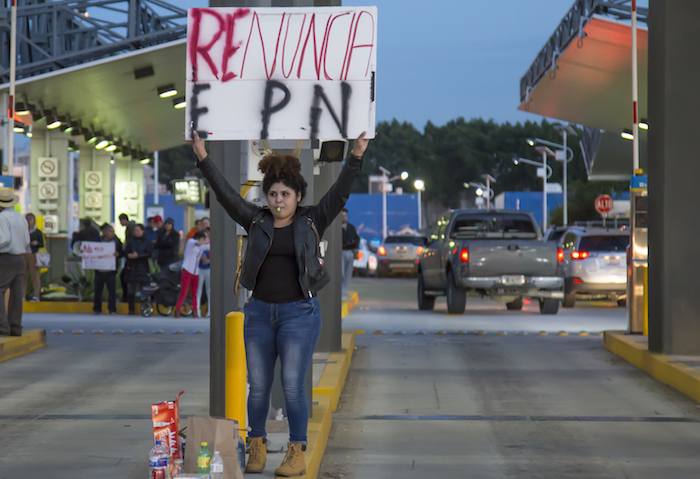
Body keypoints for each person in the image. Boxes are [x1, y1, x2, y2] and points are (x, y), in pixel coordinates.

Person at [187, 129, 369, 476]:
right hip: (258, 312)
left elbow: (341, 190)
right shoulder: (255, 220)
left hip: (299, 313)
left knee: (290, 384)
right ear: (265, 196)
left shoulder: (312, 220)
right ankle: (256, 444)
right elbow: (224, 195)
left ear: (298, 195)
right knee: (257, 387)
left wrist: (356, 154)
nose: (278, 201)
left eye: (285, 194)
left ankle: (295, 450)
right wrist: (202, 155)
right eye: (272, 194)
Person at [0, 189, 30, 337]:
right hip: (20, 258)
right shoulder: (20, 218)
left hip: (6, 258)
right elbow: (27, 241)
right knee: (17, 294)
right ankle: (15, 327)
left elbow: (3, 239)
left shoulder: (2, 217)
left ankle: (2, 327)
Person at [174, 230, 210, 318]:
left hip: (196, 272)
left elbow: (207, 248)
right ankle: (178, 309)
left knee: (194, 292)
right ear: (198, 238)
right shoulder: (191, 242)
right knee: (184, 291)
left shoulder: (200, 248)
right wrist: (206, 240)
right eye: (202, 238)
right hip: (187, 270)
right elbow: (199, 244)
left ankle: (195, 311)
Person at [93, 224, 124, 315]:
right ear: (104, 232)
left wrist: (118, 254)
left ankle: (112, 309)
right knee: (98, 291)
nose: (112, 234)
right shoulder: (97, 241)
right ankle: (97, 309)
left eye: (113, 232)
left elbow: (122, 253)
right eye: (110, 231)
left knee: (112, 291)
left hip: (111, 271)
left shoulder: (117, 242)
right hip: (99, 270)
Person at [123, 224, 152, 315]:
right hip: (132, 267)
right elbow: (126, 251)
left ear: (143, 231)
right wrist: (129, 255)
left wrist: (138, 255)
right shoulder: (131, 240)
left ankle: (144, 308)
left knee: (143, 290)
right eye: (135, 230)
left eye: (138, 230)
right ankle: (131, 309)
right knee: (131, 289)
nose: (136, 232)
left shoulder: (147, 241)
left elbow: (149, 253)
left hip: (142, 267)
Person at [23, 213, 44, 302]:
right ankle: (22, 295)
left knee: (35, 275)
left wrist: (37, 243)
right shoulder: (23, 231)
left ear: (34, 220)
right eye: (27, 219)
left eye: (30, 219)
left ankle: (36, 295)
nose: (29, 221)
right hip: (23, 253)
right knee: (23, 276)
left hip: (33, 254)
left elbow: (42, 244)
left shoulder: (37, 232)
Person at [341, 208, 360, 298]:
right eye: (342, 216)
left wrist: (353, 245)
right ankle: (341, 292)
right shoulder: (338, 229)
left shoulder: (351, 227)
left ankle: (344, 292)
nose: (344, 218)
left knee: (348, 274)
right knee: (342, 273)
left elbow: (357, 239)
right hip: (341, 252)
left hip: (350, 252)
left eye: (345, 216)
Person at [119, 213, 136, 302]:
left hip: (131, 258)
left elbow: (129, 241)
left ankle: (126, 297)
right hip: (130, 257)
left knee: (124, 277)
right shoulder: (131, 227)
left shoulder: (130, 228)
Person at [195, 240, 211, 318]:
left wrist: (209, 261)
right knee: (199, 290)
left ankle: (209, 311)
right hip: (200, 269)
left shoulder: (209, 246)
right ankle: (197, 310)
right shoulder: (199, 247)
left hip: (208, 269)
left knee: (209, 291)